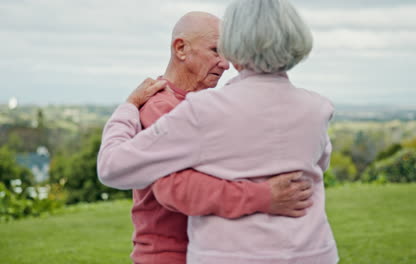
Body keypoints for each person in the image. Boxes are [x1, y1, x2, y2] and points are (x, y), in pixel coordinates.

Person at [98, 0, 339, 263]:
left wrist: (127, 108)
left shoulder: (207, 109)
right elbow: (316, 163)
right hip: (313, 252)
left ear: (238, 47)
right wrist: (264, 194)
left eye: (224, 50)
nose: (223, 63)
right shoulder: (318, 108)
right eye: (216, 50)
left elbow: (120, 169)